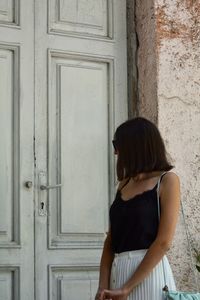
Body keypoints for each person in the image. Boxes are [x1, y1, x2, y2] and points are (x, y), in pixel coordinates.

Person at [95, 117, 180, 300]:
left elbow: (163, 241)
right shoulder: (124, 184)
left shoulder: (167, 181)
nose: (116, 152)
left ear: (137, 146)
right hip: (119, 273)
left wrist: (127, 288)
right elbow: (111, 240)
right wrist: (103, 286)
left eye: (118, 144)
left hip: (150, 275)